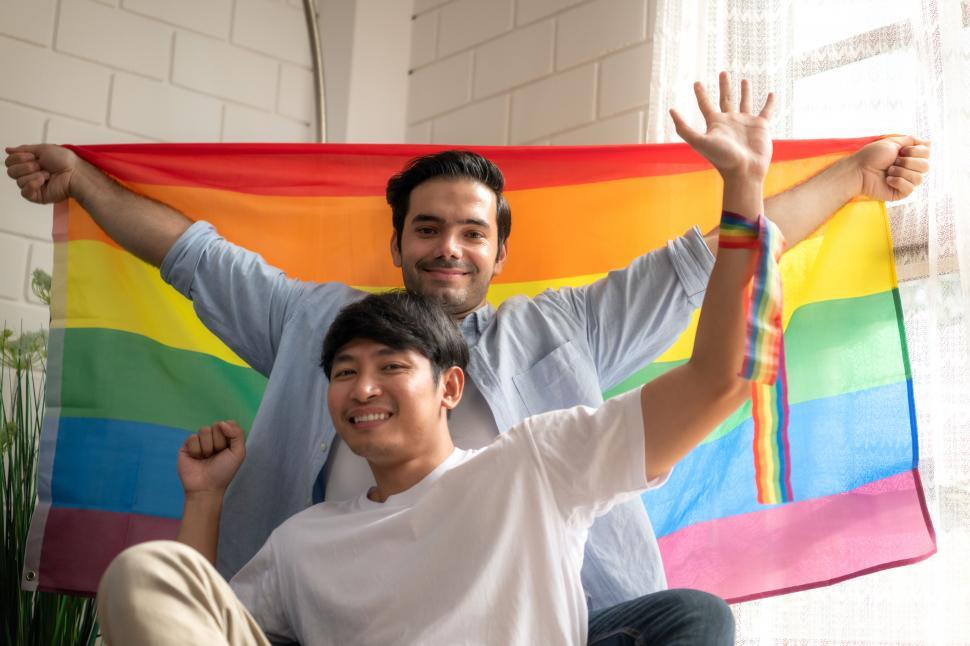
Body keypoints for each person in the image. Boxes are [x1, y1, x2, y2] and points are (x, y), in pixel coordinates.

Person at [4, 71, 929, 620]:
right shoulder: (311, 381)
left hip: (530, 619)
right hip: (330, 621)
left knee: (688, 621)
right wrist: (82, 181)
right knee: (150, 584)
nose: (449, 247)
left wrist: (837, 178)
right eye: (428, 228)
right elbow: (191, 254)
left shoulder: (545, 413)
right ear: (397, 243)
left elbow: (708, 286)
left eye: (473, 233)